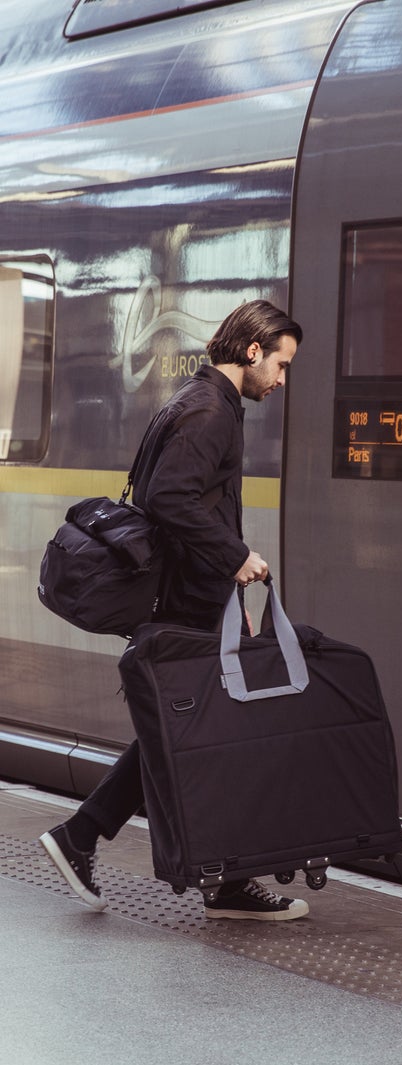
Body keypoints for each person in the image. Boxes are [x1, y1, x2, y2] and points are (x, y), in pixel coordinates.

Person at [40, 299, 308, 922]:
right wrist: (236, 558)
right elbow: (170, 498)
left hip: (192, 599)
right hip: (186, 602)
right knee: (207, 735)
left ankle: (110, 844)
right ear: (252, 352)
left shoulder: (194, 398)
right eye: (281, 365)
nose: (281, 379)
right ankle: (203, 874)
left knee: (191, 735)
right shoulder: (213, 410)